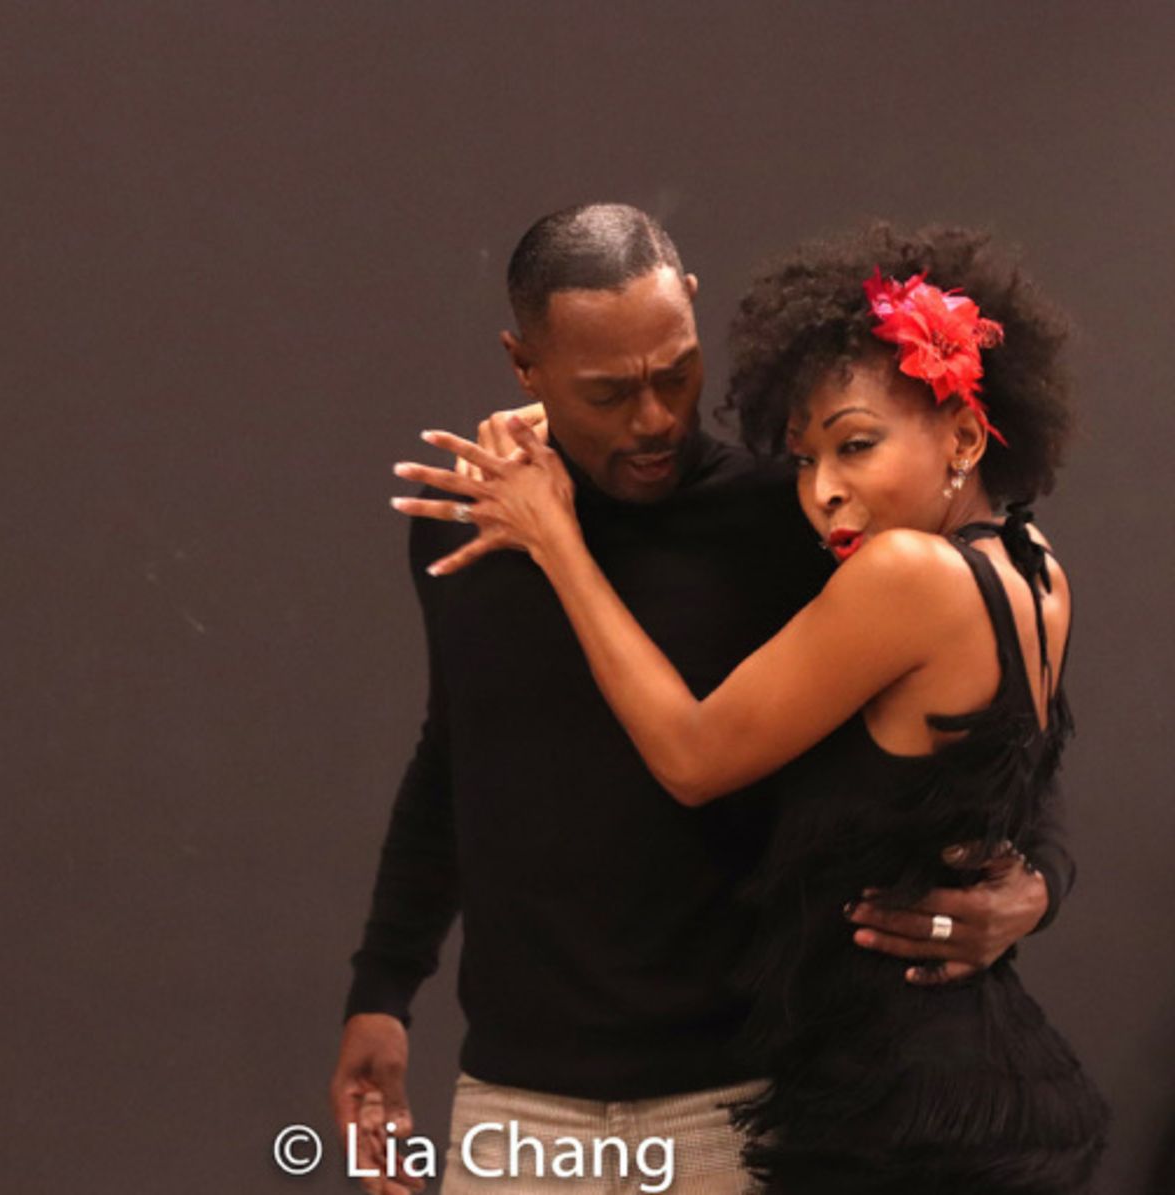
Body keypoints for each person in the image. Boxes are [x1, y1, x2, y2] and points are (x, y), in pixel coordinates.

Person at [338, 204, 1073, 1195]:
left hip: (738, 1099)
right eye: (605, 391)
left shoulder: (803, 526)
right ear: (526, 369)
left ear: (688, 308)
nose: (652, 416)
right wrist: (381, 988)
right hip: (516, 1101)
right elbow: (452, 756)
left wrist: (1031, 888)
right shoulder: (465, 531)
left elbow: (970, 743)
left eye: (672, 372)